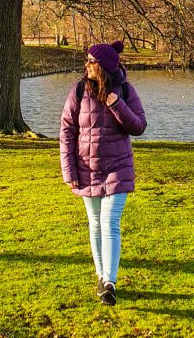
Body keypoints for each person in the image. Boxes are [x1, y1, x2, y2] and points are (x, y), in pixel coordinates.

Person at [59, 40, 147, 306]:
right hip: (86, 170)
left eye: (91, 61)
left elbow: (139, 126)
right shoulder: (77, 91)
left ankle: (109, 281)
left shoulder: (125, 91)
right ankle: (101, 276)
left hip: (117, 169)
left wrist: (116, 103)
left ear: (104, 67)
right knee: (95, 224)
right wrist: (69, 170)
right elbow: (67, 132)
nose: (86, 65)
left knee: (110, 225)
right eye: (87, 60)